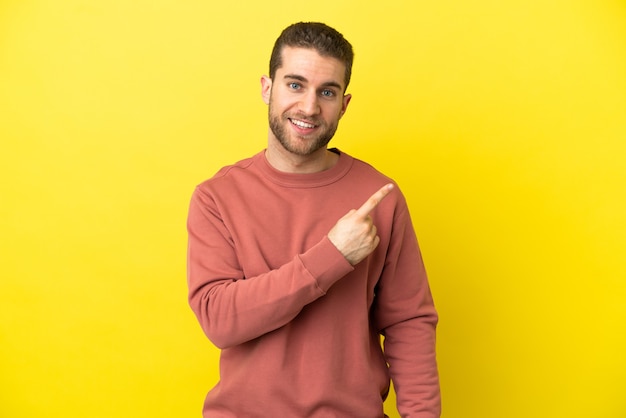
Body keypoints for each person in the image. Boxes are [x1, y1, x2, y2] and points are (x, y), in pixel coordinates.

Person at [186, 22, 441, 417]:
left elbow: (410, 323)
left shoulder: (380, 198)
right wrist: (332, 256)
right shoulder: (217, 197)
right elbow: (220, 320)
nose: (309, 107)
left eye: (327, 92)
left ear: (344, 103)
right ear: (267, 88)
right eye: (294, 84)